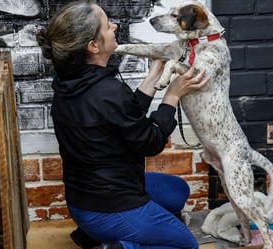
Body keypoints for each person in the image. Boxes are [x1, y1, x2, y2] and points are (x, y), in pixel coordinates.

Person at [36, 1, 209, 249]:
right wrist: (172, 95)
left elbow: (123, 119)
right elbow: (151, 141)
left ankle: (92, 234)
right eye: (107, 26)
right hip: (108, 207)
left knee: (176, 191)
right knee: (187, 246)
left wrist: (152, 76)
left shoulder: (70, 82)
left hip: (84, 201)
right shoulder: (108, 91)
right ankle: (116, 246)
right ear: (93, 46)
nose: (115, 26)